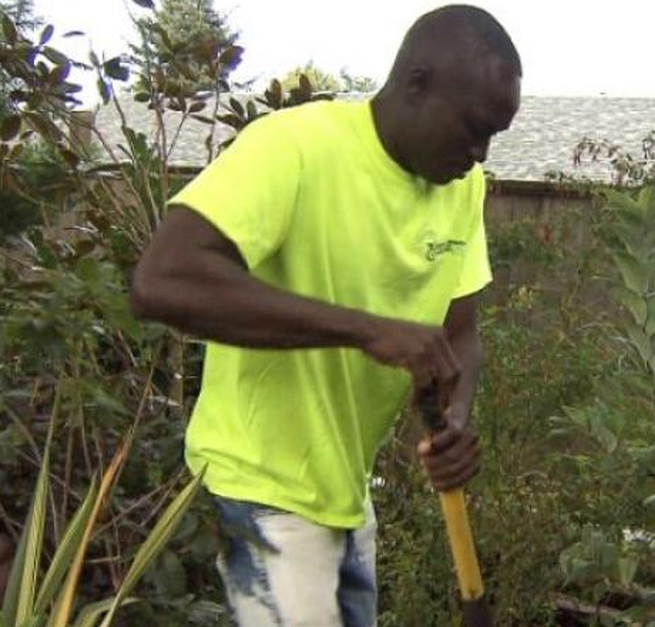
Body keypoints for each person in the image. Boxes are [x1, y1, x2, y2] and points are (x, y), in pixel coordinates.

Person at [129, 5, 522, 626]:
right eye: (473, 129)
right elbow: (163, 279)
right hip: (261, 487)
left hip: (344, 492)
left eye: (493, 135)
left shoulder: (461, 187)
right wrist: (367, 330)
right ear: (416, 84)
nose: (479, 153)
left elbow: (460, 331)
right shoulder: (296, 147)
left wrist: (453, 421)